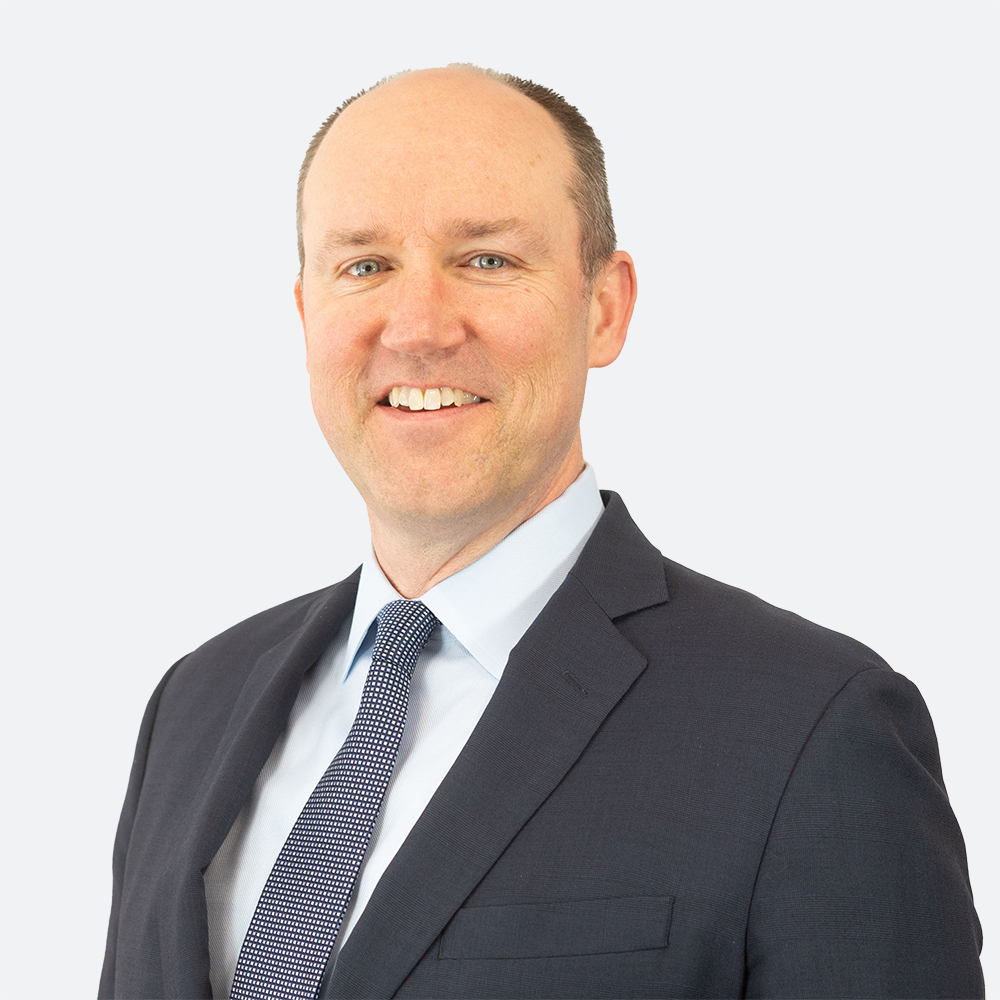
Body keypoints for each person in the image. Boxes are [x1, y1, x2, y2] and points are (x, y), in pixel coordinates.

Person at [99, 65, 984, 1000]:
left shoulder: (812, 727)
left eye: (487, 259)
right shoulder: (194, 705)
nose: (418, 328)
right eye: (364, 265)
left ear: (605, 306)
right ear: (306, 311)